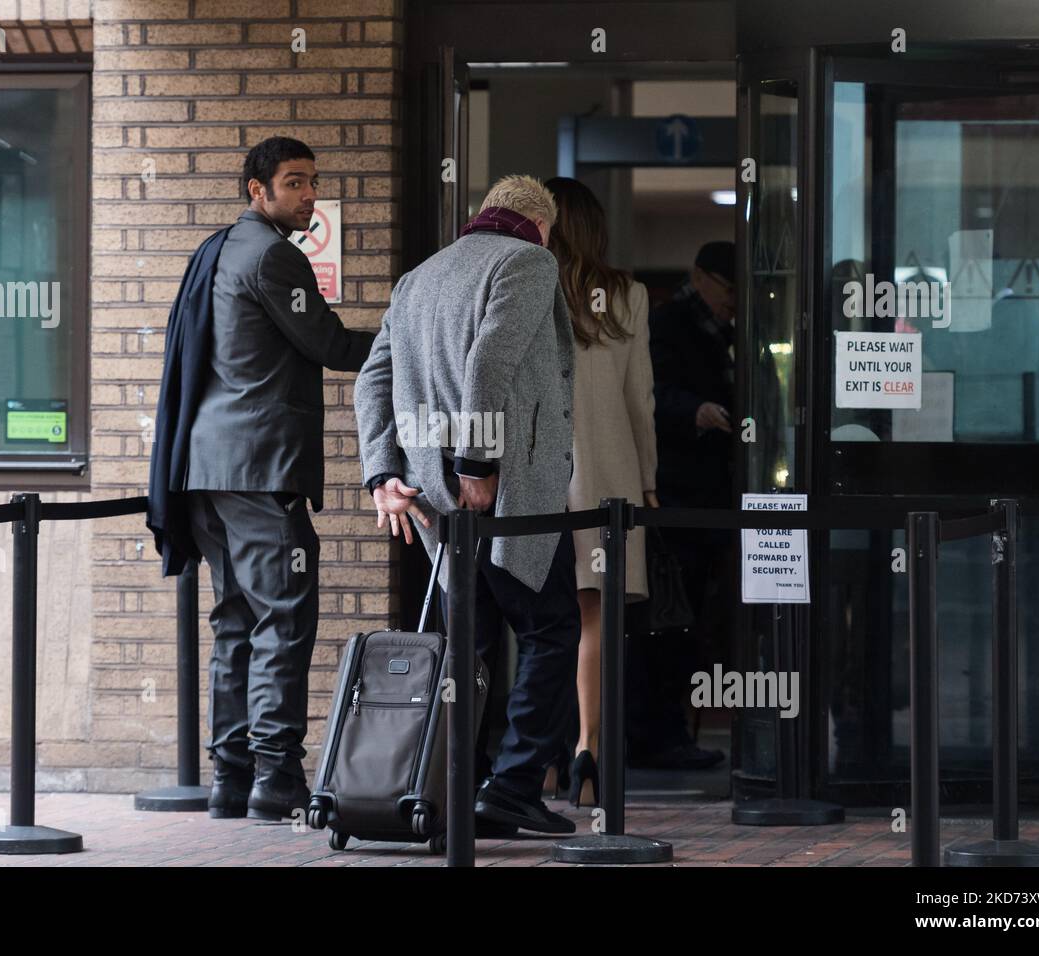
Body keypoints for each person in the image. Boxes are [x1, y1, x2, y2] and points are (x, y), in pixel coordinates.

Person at [147, 136, 375, 821]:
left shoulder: (218, 250)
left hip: (206, 472)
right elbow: (331, 345)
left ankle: (232, 777)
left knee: (238, 621)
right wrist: (411, 338)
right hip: (257, 468)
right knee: (283, 619)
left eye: (312, 182)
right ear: (257, 190)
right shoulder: (274, 255)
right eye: (295, 182)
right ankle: (276, 776)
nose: (309, 195)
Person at [354, 174, 581, 835]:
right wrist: (477, 463)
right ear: (541, 223)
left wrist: (381, 477)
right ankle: (511, 788)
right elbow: (489, 362)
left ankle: (459, 784)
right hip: (506, 490)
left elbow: (373, 381)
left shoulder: (418, 278)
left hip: (432, 499)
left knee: (469, 647)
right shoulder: (528, 259)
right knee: (550, 631)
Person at [543, 177, 657, 807]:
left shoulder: (525, 284)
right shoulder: (628, 294)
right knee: (593, 617)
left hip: (539, 480)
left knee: (539, 625)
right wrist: (648, 479)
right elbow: (640, 399)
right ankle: (589, 747)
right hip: (607, 478)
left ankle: (540, 761)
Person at [629, 240, 737, 770]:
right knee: (669, 620)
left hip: (707, 496)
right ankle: (657, 734)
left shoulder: (730, 333)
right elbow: (649, 396)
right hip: (675, 494)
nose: (732, 302)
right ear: (701, 277)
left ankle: (666, 731)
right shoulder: (669, 324)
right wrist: (695, 411)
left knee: (688, 620)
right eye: (727, 290)